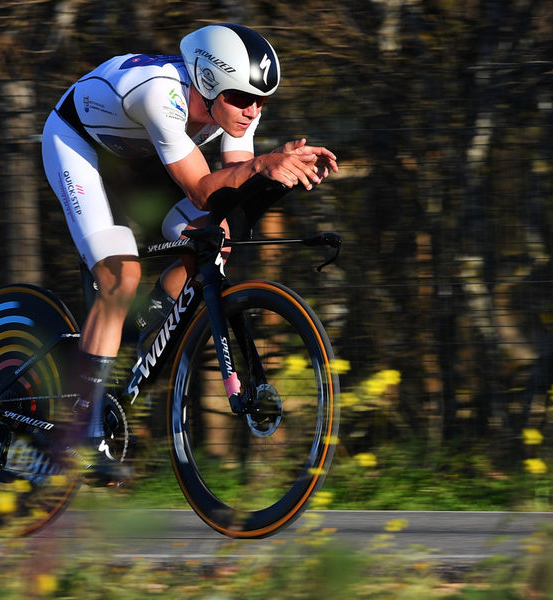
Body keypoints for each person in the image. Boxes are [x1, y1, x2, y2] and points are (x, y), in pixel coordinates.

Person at [40, 23, 338, 484]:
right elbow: (202, 189)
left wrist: (279, 174)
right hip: (81, 147)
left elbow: (231, 187)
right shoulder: (163, 95)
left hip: (142, 158)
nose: (253, 109)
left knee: (214, 238)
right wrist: (264, 164)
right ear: (210, 82)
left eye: (262, 99)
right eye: (242, 98)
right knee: (121, 277)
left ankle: (149, 322)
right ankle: (81, 429)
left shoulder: (242, 104)